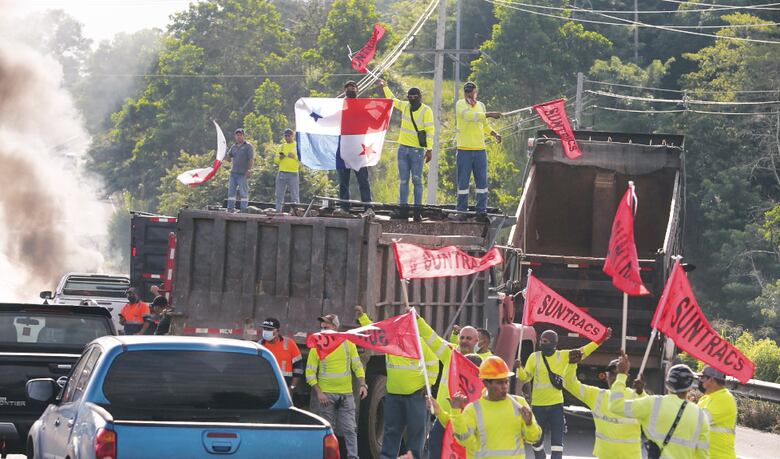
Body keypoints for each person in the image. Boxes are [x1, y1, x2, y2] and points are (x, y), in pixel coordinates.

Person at [356, 306, 438, 459]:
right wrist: (362, 317)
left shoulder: (420, 344)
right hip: (394, 397)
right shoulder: (390, 342)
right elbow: (373, 333)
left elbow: (433, 364)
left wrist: (428, 386)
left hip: (415, 397)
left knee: (415, 436)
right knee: (391, 434)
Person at [516, 328, 611, 459]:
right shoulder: (535, 357)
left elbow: (583, 351)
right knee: (536, 439)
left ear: (554, 343)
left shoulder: (563, 356)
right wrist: (519, 369)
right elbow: (525, 377)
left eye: (546, 341)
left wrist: (600, 340)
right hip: (538, 405)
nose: (542, 343)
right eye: (541, 340)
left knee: (557, 442)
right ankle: (540, 455)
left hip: (556, 405)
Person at [609, 353, 710, 459]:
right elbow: (703, 455)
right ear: (690, 388)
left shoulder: (653, 403)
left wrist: (621, 375)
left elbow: (616, 405)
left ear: (668, 384)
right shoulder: (701, 416)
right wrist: (641, 393)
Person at [446, 356, 542, 459]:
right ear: (485, 383)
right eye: (500, 382)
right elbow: (465, 441)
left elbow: (534, 438)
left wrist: (529, 424)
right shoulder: (473, 409)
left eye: (506, 381)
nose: (505, 386)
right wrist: (456, 413)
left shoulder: (519, 403)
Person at [415, 315, 479, 459]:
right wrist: (418, 320)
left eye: (468, 338)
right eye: (462, 338)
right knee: (434, 447)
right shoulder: (449, 355)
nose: (464, 341)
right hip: (443, 417)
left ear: (476, 341)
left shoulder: (481, 363)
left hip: (467, 420)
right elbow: (432, 339)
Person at [305, 314, 367, 459]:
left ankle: (353, 457)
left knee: (350, 430)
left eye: (326, 325)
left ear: (335, 327)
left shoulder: (347, 344)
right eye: (322, 325)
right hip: (326, 396)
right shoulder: (317, 346)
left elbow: (357, 366)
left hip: (346, 395)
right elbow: (310, 373)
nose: (323, 328)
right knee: (328, 432)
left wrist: (363, 384)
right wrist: (319, 393)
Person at [375, 79, 434, 221]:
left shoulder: (426, 111)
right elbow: (393, 100)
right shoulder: (406, 107)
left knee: (417, 180)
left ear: (420, 97)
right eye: (410, 97)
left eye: (414, 97)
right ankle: (403, 210)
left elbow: (430, 131)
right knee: (403, 181)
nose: (412, 100)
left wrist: (429, 149)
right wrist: (385, 87)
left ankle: (417, 212)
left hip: (417, 151)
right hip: (403, 149)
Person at [561, 359, 645, 458]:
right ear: (606, 376)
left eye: (618, 374)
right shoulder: (597, 396)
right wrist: (572, 364)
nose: (614, 378)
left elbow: (652, 414)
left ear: (626, 377)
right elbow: (569, 384)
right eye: (611, 374)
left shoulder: (637, 397)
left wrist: (641, 393)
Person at [453, 81, 502, 221]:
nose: (469, 94)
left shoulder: (481, 106)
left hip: (480, 149)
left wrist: (494, 134)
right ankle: (461, 211)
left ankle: (481, 211)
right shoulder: (460, 104)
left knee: (482, 183)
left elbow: (484, 125)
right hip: (464, 150)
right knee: (463, 183)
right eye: (466, 91)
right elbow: (468, 116)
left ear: (476, 92)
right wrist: (489, 114)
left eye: (471, 91)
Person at [337, 80, 373, 215]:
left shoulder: (362, 106)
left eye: (353, 87)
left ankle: (368, 208)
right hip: (343, 148)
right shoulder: (339, 107)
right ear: (344, 90)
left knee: (363, 180)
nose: (350, 89)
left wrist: (384, 109)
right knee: (343, 181)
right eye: (347, 87)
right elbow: (328, 120)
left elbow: (373, 123)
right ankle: (344, 208)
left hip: (359, 149)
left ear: (357, 89)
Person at [697, 366, 737, 459]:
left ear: (711, 380)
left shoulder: (725, 398)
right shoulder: (705, 398)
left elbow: (699, 421)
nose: (700, 381)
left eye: (702, 378)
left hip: (719, 456)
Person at [259, 317, 303, 392]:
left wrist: (292, 387)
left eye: (269, 329)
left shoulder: (289, 343)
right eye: (264, 329)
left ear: (277, 331)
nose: (266, 331)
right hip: (263, 388)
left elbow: (298, 368)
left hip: (285, 389)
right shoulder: (260, 345)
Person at [226, 128, 254, 213]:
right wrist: (225, 153)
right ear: (235, 136)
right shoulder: (233, 147)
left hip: (243, 174)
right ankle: (230, 208)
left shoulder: (248, 146)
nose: (239, 137)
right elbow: (228, 158)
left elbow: (251, 159)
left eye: (240, 135)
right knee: (231, 192)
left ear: (243, 136)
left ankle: (243, 209)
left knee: (243, 193)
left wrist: (249, 170)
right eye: (237, 135)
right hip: (233, 173)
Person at [275, 128, 300, 212]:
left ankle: (295, 212)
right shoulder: (281, 146)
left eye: (289, 135)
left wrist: (294, 157)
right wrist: (280, 158)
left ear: (293, 136)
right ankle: (278, 211)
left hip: (293, 173)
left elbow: (301, 160)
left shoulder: (297, 146)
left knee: (294, 194)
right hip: (282, 172)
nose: (287, 137)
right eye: (286, 136)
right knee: (279, 194)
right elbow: (276, 161)